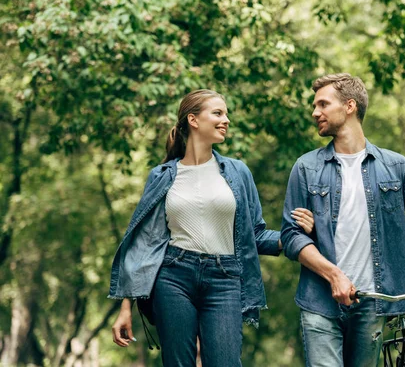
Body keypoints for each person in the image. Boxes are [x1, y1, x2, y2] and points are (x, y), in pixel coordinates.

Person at [280, 73, 405, 367]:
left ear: (349, 106)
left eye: (323, 104)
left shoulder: (395, 167)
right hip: (320, 302)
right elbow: (291, 237)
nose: (315, 112)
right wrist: (334, 275)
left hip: (373, 303)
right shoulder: (306, 168)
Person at [108, 89, 315, 367]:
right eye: (218, 113)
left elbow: (254, 235)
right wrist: (125, 308)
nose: (226, 120)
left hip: (225, 279)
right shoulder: (162, 176)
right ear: (193, 120)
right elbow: (143, 244)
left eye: (226, 114)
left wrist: (296, 235)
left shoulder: (238, 172)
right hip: (173, 276)